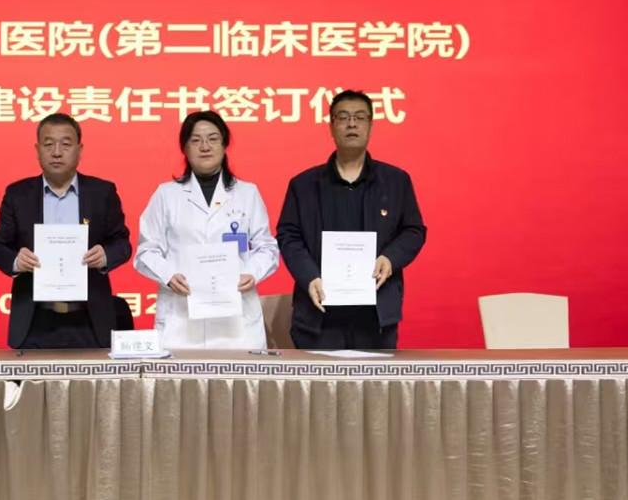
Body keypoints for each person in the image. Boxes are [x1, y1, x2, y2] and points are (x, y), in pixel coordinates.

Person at [276, 89, 427, 349]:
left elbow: (413, 230)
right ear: (331, 125)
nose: (352, 124)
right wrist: (309, 276)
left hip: (376, 314)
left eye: (360, 117)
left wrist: (390, 258)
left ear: (370, 125)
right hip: (318, 313)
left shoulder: (396, 181)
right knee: (318, 377)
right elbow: (289, 236)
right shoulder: (303, 185)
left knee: (375, 378)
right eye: (343, 117)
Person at [134, 110, 279, 349]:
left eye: (213, 139)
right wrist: (169, 275)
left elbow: (267, 248)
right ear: (184, 148)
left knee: (239, 374)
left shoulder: (247, 193)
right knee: (180, 374)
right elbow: (146, 251)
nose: (205, 146)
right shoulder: (166, 194)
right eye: (196, 140)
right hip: (181, 318)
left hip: (236, 320)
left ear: (224, 145)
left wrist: (251, 273)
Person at [0, 113, 131, 349]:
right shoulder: (18, 194)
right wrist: (16, 261)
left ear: (79, 150)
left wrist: (106, 256)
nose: (57, 152)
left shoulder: (102, 192)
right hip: (35, 320)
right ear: (37, 150)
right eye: (48, 144)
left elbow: (122, 243)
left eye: (65, 144)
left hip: (90, 319)